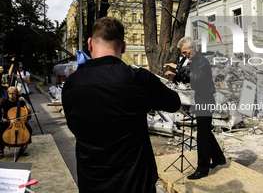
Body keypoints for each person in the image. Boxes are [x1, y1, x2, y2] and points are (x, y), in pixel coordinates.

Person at [62, 17, 181, 193]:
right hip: (135, 184)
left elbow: (74, 127)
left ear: (89, 44)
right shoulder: (138, 79)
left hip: (91, 182)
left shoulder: (71, 83)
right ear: (123, 46)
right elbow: (174, 103)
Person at [164, 37, 226, 180]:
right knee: (205, 131)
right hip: (201, 98)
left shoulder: (202, 62)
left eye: (185, 52)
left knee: (202, 135)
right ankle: (219, 158)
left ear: (192, 48)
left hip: (205, 99)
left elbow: (195, 77)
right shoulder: (195, 61)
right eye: (183, 53)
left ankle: (202, 169)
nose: (184, 55)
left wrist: (177, 72)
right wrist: (177, 70)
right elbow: (188, 74)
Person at [0, 86, 33, 159]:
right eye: (10, 94)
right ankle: (1, 150)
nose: (11, 95)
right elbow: (1, 113)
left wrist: (25, 101)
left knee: (29, 129)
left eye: (13, 93)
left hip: (21, 122)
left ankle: (22, 148)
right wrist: (2, 118)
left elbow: (30, 110)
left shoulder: (20, 101)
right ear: (7, 94)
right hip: (9, 122)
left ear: (16, 94)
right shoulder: (5, 103)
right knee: (1, 131)